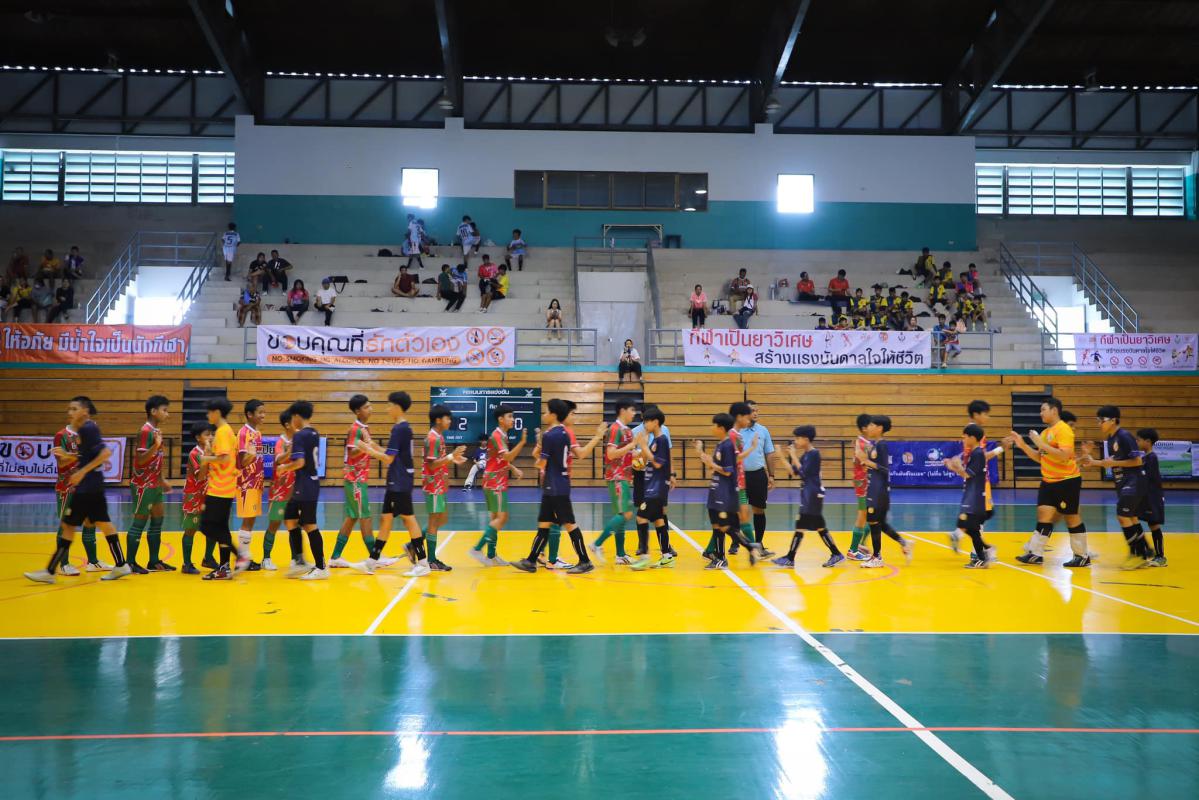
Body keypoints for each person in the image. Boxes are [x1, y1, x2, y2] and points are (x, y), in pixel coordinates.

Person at [24, 397, 131, 584]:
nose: (70, 413)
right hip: (92, 487)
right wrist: (68, 456)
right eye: (69, 409)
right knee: (103, 525)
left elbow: (105, 453)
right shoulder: (84, 430)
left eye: (74, 409)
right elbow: (89, 456)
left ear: (85, 411)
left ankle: (51, 571)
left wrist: (81, 472)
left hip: (88, 488)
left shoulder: (88, 428)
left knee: (69, 527)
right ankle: (120, 564)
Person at [510, 399, 607, 574]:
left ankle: (585, 561)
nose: (544, 414)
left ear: (554, 415)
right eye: (572, 414)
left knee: (569, 523)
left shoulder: (550, 434)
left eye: (546, 411)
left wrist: (538, 463)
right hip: (555, 484)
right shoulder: (564, 433)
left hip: (555, 486)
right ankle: (531, 560)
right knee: (544, 523)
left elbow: (541, 461)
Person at [1009, 397, 1089, 567]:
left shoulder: (1064, 429)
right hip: (1048, 481)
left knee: (1071, 518)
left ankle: (1082, 556)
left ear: (1054, 410)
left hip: (1066, 480)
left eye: (1043, 409)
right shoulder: (1045, 433)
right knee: (1043, 514)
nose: (1040, 413)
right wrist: (1022, 445)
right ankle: (1035, 554)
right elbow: (1040, 457)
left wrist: (1040, 443)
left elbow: (1064, 456)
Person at [348, 391, 422, 575]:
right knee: (386, 519)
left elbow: (388, 459)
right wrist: (372, 445)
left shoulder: (400, 429)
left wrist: (366, 450)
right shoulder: (401, 428)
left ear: (397, 407)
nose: (387, 409)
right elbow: (390, 453)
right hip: (395, 479)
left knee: (408, 518)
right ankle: (371, 561)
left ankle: (423, 562)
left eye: (389, 405)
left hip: (400, 480)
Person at [1081, 405, 1151, 570]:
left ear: (1113, 420)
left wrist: (1112, 463)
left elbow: (1137, 461)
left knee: (1122, 516)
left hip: (1133, 481)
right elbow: (1113, 462)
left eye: (1101, 420)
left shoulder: (1124, 436)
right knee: (1131, 517)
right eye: (1098, 420)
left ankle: (1137, 555)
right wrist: (1094, 462)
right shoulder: (1111, 439)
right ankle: (1145, 551)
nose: (1099, 424)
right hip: (1123, 482)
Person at [694, 413, 758, 570]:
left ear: (721, 428)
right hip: (716, 489)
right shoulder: (720, 444)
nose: (711, 428)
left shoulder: (728, 445)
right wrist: (701, 453)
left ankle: (746, 548)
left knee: (724, 526)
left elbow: (728, 471)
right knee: (717, 525)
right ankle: (722, 557)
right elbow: (715, 467)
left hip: (725, 492)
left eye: (714, 425)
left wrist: (712, 464)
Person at [773, 425, 843, 568]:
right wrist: (781, 456)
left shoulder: (814, 454)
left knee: (802, 525)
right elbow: (794, 472)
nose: (795, 441)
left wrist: (793, 456)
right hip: (808, 494)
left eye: (797, 438)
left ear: (805, 439)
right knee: (817, 526)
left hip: (813, 494)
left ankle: (790, 558)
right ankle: (836, 554)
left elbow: (804, 473)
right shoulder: (805, 455)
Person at [469, 405, 529, 566]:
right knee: (502, 517)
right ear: (501, 419)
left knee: (495, 518)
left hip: (493, 479)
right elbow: (508, 456)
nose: (513, 419)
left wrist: (513, 469)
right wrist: (522, 442)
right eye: (510, 416)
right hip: (495, 481)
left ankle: (491, 555)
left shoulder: (502, 435)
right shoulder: (497, 435)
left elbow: (500, 459)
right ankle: (477, 549)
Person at [51, 408, 106, 574]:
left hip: (87, 486)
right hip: (67, 487)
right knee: (66, 525)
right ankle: (64, 564)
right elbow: (61, 463)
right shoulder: (62, 435)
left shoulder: (88, 434)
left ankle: (93, 562)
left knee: (90, 522)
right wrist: (79, 455)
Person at [948, 400, 1005, 559]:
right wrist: (1001, 449)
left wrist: (956, 465)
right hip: (979, 481)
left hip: (976, 479)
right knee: (980, 515)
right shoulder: (974, 433)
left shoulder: (972, 432)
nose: (988, 417)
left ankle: (960, 535)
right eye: (985, 414)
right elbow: (981, 457)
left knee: (981, 515)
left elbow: (970, 458)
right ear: (976, 414)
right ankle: (979, 551)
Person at [329, 395, 379, 569]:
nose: (370, 409)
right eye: (367, 407)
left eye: (370, 406)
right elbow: (352, 453)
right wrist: (367, 448)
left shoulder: (364, 428)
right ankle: (374, 556)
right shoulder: (355, 429)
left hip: (359, 478)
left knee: (352, 517)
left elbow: (367, 448)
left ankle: (335, 556)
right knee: (365, 516)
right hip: (355, 479)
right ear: (357, 411)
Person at [125, 395, 173, 574]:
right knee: (139, 523)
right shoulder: (146, 431)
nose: (167, 414)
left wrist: (162, 480)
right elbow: (140, 460)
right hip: (143, 485)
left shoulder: (156, 431)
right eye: (164, 410)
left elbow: (157, 459)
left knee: (158, 520)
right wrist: (155, 446)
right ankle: (130, 563)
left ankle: (154, 561)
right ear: (153, 411)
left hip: (154, 484)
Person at [282, 401, 330, 580]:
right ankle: (300, 561)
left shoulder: (300, 435)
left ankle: (321, 567)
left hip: (306, 486)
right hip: (306, 485)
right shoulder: (314, 433)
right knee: (290, 518)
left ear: (296, 416)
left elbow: (300, 462)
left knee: (309, 525)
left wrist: (283, 468)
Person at [417, 405, 467, 575]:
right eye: (447, 418)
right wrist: (452, 456)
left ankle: (413, 545)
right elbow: (431, 465)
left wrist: (453, 459)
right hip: (433, 485)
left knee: (442, 518)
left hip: (438, 483)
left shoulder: (439, 437)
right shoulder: (433, 438)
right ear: (438, 420)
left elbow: (439, 460)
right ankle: (431, 560)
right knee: (434, 520)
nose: (450, 421)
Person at [859, 415, 912, 568]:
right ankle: (904, 543)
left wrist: (868, 462)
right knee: (880, 524)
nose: (868, 428)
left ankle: (877, 557)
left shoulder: (881, 445)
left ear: (879, 428)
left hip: (878, 491)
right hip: (875, 489)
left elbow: (884, 469)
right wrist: (866, 465)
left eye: (871, 425)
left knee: (873, 522)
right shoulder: (875, 445)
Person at [590, 397, 639, 564]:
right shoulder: (615, 429)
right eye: (632, 410)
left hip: (625, 476)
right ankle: (597, 544)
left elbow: (629, 453)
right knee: (626, 513)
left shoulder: (628, 431)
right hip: (617, 477)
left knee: (622, 514)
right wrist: (632, 446)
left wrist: (645, 452)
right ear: (623, 410)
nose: (634, 413)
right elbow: (611, 454)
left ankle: (620, 554)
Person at [197, 398, 240, 580]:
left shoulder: (223, 432)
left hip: (220, 488)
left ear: (217, 412)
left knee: (206, 526)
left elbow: (224, 459)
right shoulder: (225, 431)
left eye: (209, 412)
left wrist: (206, 458)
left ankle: (240, 556)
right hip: (225, 487)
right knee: (221, 527)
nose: (208, 415)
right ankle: (224, 568)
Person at [630, 407, 676, 570]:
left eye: (646, 422)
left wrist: (644, 447)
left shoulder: (662, 440)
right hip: (652, 486)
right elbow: (647, 461)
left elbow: (657, 463)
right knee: (658, 520)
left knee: (641, 517)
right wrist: (637, 454)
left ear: (655, 422)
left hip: (657, 488)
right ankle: (667, 556)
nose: (644, 425)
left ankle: (644, 556)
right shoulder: (655, 440)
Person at [945, 424, 997, 568]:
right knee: (971, 528)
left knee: (967, 526)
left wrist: (957, 466)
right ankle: (985, 553)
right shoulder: (975, 453)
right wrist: (953, 466)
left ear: (973, 438)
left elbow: (967, 474)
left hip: (975, 498)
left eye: (965, 437)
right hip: (972, 495)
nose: (964, 439)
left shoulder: (978, 454)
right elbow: (966, 474)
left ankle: (984, 554)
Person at [259, 410, 304, 572]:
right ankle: (266, 558)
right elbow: (279, 459)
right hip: (280, 490)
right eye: (294, 421)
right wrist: (291, 451)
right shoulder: (281, 441)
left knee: (294, 524)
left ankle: (295, 559)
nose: (297, 423)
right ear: (287, 425)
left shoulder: (299, 439)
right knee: (274, 523)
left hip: (296, 490)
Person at [741, 400, 779, 555]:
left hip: (757, 475)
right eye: (752, 410)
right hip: (739, 476)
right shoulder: (736, 431)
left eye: (757, 410)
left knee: (758, 510)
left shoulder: (763, 431)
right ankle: (736, 543)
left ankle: (759, 543)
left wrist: (771, 475)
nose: (756, 413)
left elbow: (769, 453)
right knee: (738, 511)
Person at [235, 399, 267, 571]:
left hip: (256, 482)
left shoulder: (257, 433)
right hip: (246, 484)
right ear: (249, 414)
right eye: (260, 412)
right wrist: (253, 454)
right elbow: (242, 462)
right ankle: (243, 559)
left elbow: (258, 455)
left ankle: (245, 557)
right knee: (247, 521)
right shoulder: (243, 433)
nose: (263, 415)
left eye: (264, 412)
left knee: (251, 520)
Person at [179, 422, 215, 575]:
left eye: (212, 434)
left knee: (213, 528)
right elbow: (200, 477)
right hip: (194, 496)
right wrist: (207, 456)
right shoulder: (194, 454)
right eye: (207, 434)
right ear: (198, 437)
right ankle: (186, 564)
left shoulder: (213, 451)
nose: (210, 437)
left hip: (210, 494)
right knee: (191, 529)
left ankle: (208, 558)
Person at [1136, 428, 1167, 567]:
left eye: (1138, 440)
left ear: (1147, 441)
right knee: (1141, 521)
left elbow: (1148, 479)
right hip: (1146, 497)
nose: (1137, 442)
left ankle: (1160, 556)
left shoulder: (1151, 458)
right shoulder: (1145, 458)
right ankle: (1144, 551)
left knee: (1154, 525)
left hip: (1153, 497)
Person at [846, 413, 875, 561]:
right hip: (863, 483)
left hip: (865, 482)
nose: (873, 427)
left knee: (872, 515)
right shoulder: (864, 444)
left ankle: (861, 544)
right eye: (871, 425)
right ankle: (853, 549)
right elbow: (869, 463)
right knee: (863, 514)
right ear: (864, 428)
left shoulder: (864, 442)